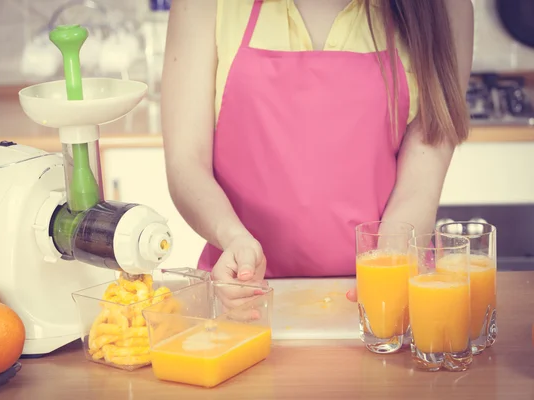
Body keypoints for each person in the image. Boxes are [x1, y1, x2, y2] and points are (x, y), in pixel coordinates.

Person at [161, 0, 474, 304]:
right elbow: (186, 162)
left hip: (379, 292)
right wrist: (234, 240)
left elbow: (422, 177)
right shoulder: (203, 5)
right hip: (240, 294)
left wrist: (386, 266)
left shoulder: (444, 9)